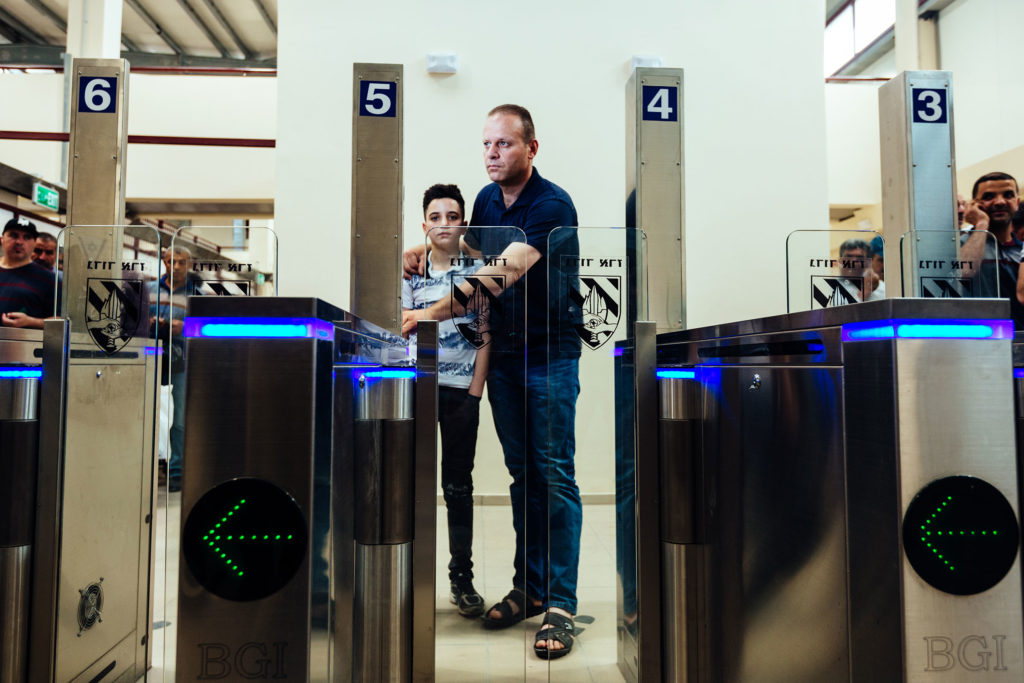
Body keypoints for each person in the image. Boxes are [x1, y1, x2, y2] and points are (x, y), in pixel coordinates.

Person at [402, 104, 582, 659]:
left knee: (553, 473)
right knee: (521, 472)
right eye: (486, 145)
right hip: (502, 355)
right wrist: (420, 250)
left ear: (531, 147)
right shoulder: (483, 201)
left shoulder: (551, 204)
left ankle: (560, 604)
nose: (492, 154)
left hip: (548, 356)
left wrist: (426, 312)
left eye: (503, 144)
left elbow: (496, 275)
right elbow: (465, 257)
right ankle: (528, 589)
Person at [402, 183, 490, 617]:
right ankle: (409, 577)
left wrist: (476, 390)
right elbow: (399, 327)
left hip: (461, 396)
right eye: (435, 217)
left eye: (452, 216)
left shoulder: (479, 270)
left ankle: (462, 578)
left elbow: (485, 333)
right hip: (418, 391)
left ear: (463, 223)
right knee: (412, 485)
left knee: (458, 487)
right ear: (424, 224)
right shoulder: (409, 273)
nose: (444, 224)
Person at [148, 245, 203, 492]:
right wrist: (150, 323)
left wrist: (184, 327)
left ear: (189, 264)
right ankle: (146, 467)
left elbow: (205, 329)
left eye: (181, 262)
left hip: (183, 360)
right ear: (164, 261)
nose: (176, 267)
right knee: (146, 412)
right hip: (150, 356)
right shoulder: (149, 290)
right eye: (172, 261)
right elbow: (132, 321)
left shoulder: (197, 295)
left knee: (180, 418)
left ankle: (177, 472)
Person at [961, 172, 1024, 326]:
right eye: (989, 197)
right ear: (974, 205)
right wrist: (982, 224)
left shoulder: (1021, 249)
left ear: (1017, 202)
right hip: (978, 340)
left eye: (1008, 195)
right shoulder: (962, 243)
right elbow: (962, 273)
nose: (1000, 202)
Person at [0, 217, 56, 328]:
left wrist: (30, 322)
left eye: (27, 237)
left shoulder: (49, 279)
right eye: (13, 235)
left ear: (34, 243)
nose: (19, 242)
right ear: (2, 239)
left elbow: (60, 320)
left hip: (20, 343)